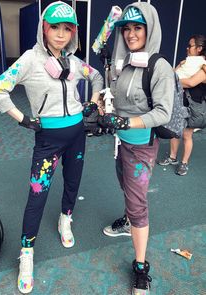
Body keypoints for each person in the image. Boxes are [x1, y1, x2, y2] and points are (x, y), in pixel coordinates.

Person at [0, 1, 103, 294]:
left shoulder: (74, 62)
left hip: (77, 134)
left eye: (67, 28)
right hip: (47, 140)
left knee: (73, 183)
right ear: (44, 27)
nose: (61, 34)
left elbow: (97, 77)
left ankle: (66, 218)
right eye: (55, 27)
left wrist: (94, 102)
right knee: (37, 197)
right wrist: (24, 120)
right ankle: (27, 254)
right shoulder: (30, 59)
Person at [98, 2, 174, 294]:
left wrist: (126, 123)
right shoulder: (125, 62)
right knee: (126, 187)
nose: (131, 34)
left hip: (142, 147)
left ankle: (141, 267)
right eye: (127, 28)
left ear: (149, 29)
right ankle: (129, 220)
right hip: (122, 143)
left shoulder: (160, 66)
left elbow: (162, 113)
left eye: (137, 28)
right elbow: (117, 99)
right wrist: (106, 109)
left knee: (138, 202)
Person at [158, 35, 206, 176]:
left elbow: (190, 83)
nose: (187, 48)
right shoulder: (186, 63)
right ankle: (172, 157)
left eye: (190, 46)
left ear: (199, 49)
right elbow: (172, 74)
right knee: (175, 131)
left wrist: (173, 80)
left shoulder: (203, 68)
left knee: (186, 135)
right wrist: (178, 67)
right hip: (179, 101)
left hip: (193, 105)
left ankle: (184, 163)